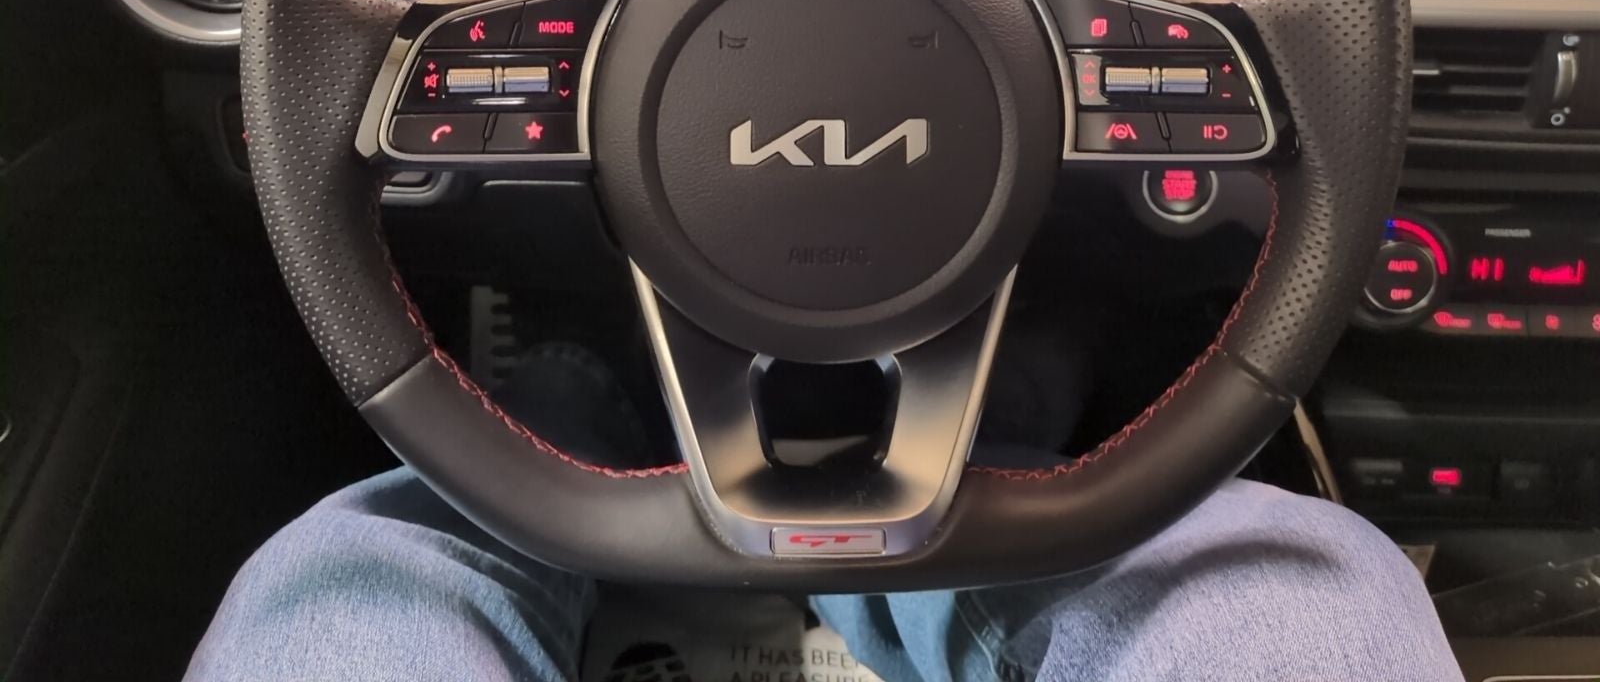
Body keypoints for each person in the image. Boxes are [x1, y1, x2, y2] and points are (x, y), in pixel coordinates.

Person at [184, 346, 1465, 682]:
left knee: (347, 566)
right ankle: (981, 426)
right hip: (973, 490)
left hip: (574, 442)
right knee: (1297, 576)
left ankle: (595, 402)